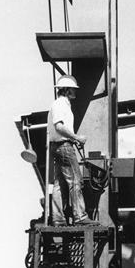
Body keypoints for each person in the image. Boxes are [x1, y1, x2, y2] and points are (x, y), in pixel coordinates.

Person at [48, 75, 92, 226]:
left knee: (60, 183)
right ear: (66, 90)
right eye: (73, 89)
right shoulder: (60, 104)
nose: (75, 92)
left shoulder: (60, 104)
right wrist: (76, 138)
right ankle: (80, 216)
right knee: (75, 180)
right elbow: (59, 127)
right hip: (64, 146)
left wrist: (73, 139)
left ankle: (58, 218)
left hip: (57, 146)